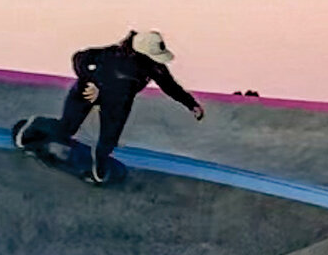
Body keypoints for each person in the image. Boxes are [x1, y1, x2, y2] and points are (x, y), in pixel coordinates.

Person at [24, 29, 205, 183]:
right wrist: (89, 82)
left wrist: (191, 104)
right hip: (88, 92)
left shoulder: (155, 67)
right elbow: (80, 58)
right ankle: (38, 124)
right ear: (141, 53)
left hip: (118, 101)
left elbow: (170, 86)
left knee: (109, 138)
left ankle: (100, 161)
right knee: (66, 129)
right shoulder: (112, 54)